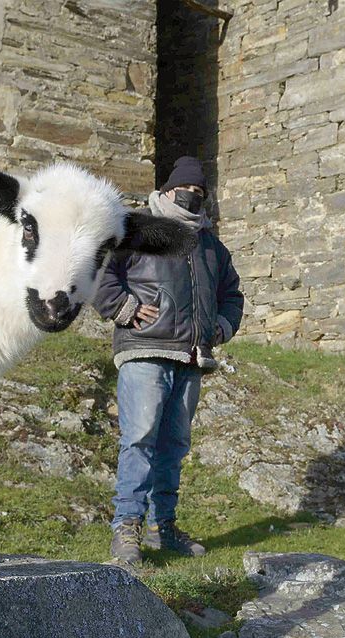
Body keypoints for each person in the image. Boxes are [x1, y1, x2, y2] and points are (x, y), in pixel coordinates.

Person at [92, 156, 244, 566]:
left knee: (173, 446)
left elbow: (233, 294)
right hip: (144, 350)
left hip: (192, 357)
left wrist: (221, 327)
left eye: (200, 193)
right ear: (167, 189)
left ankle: (164, 528)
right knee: (139, 439)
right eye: (185, 190)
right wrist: (122, 308)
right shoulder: (137, 229)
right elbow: (99, 272)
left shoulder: (211, 245)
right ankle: (126, 529)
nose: (192, 198)